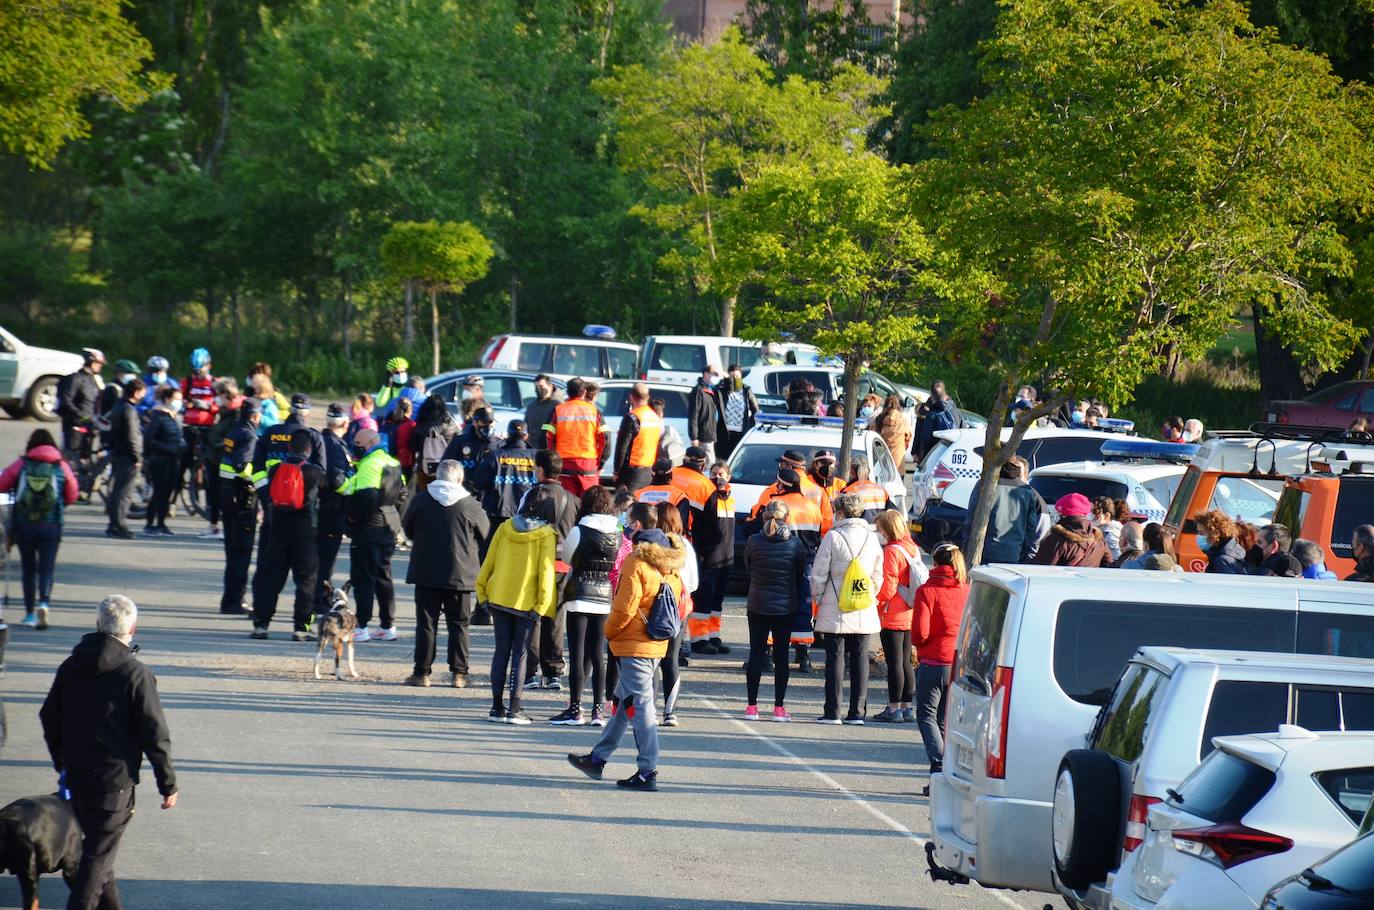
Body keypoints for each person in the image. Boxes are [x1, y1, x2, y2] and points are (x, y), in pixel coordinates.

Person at [39, 595, 177, 910]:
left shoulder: (71, 666)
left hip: (76, 777)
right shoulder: (136, 674)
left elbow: (49, 715)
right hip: (115, 783)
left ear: (98, 624)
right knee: (96, 860)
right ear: (133, 629)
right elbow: (154, 733)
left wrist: (62, 759)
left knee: (101, 857)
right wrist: (167, 783)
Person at [566, 521, 685, 792]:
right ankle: (597, 759)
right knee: (623, 703)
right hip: (656, 644)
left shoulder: (637, 563)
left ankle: (647, 770)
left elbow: (624, 607)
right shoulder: (672, 569)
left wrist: (609, 632)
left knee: (641, 708)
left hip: (634, 645)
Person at [402, 459, 489, 688]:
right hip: (460, 575)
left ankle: (421, 673)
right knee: (459, 625)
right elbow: (484, 533)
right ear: (460, 479)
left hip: (425, 572)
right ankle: (459, 674)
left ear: (436, 477)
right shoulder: (471, 505)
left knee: (426, 624)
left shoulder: (420, 500)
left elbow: (408, 528)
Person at [477, 488, 559, 724]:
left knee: (501, 652)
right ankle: (515, 708)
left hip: (499, 597)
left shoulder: (505, 527)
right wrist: (542, 606)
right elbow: (546, 572)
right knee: (520, 654)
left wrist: (482, 592)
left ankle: (496, 707)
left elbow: (488, 560)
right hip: (527, 603)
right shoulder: (546, 534)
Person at [549, 486, 620, 727]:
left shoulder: (580, 529)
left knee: (577, 654)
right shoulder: (617, 529)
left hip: (580, 592)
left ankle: (575, 708)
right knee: (598, 654)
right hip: (604, 595)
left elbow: (568, 557)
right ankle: (598, 711)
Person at [811, 493, 884, 724]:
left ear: (840, 513)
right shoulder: (872, 539)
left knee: (835, 659)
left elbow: (819, 574)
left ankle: (833, 711)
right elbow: (878, 574)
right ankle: (857, 713)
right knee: (861, 659)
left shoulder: (833, 537)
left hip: (835, 605)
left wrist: (819, 598)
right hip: (863, 605)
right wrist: (870, 593)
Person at [747, 464, 826, 673]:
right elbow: (817, 536)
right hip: (806, 564)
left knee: (773, 607)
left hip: (780, 563)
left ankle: (768, 655)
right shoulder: (812, 507)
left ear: (782, 484)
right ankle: (803, 656)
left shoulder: (778, 505)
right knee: (803, 608)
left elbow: (763, 531)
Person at [247, 429, 324, 640]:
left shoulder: (275, 470)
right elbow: (326, 490)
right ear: (309, 450)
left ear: (289, 448)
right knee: (306, 581)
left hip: (278, 530)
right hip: (305, 533)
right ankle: (301, 628)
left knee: (271, 579)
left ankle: (261, 625)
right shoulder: (314, 472)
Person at [0, 429, 78, 629]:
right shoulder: (61, 465)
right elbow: (72, 492)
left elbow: (2, 483)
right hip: (51, 524)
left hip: (24, 524)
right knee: (46, 568)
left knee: (28, 568)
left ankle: (28, 614)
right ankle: (44, 603)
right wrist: (59, 505)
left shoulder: (23, 464)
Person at [339, 427, 405, 641]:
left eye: (357, 442)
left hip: (369, 528)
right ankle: (388, 626)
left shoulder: (369, 464)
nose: (354, 446)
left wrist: (351, 517)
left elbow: (366, 498)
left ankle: (361, 626)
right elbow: (403, 496)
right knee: (384, 576)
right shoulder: (393, 462)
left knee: (363, 578)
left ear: (366, 444)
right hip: (389, 526)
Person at [743, 499, 806, 721]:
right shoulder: (795, 544)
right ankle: (779, 708)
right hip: (785, 605)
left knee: (756, 654)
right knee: (781, 657)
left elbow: (748, 568)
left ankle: (752, 706)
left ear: (764, 517)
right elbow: (799, 574)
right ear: (786, 518)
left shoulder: (753, 540)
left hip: (758, 602)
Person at [912, 544, 968, 788]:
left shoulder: (927, 590)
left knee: (926, 715)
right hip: (958, 663)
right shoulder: (967, 590)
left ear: (934, 563)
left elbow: (920, 633)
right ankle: (948, 770)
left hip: (933, 660)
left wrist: (920, 644)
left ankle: (938, 764)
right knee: (945, 720)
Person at [873, 510, 927, 724]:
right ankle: (907, 707)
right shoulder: (912, 548)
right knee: (906, 661)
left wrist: (876, 602)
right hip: (910, 609)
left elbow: (888, 586)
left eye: (881, 529)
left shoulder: (892, 551)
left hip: (893, 611)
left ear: (887, 529)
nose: (879, 533)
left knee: (894, 661)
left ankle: (893, 707)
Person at [653, 503, 697, 722]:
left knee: (651, 657)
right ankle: (671, 711)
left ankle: (648, 707)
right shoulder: (685, 546)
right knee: (671, 659)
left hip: (652, 605)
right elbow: (693, 582)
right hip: (678, 607)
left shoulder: (651, 543)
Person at [217, 399, 260, 614]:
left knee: (232, 552)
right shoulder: (249, 435)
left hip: (228, 495)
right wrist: (258, 481)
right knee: (241, 553)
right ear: (255, 416)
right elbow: (242, 466)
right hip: (242, 499)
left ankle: (229, 600)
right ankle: (234, 602)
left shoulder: (234, 431)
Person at [472, 419, 539, 535]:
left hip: (498, 515)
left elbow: (478, 483)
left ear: (508, 435)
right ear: (526, 436)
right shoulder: (536, 456)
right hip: (528, 517)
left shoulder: (494, 456)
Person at [316, 403, 353, 611]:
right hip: (332, 510)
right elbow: (338, 481)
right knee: (326, 560)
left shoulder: (319, 441)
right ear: (345, 423)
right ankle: (320, 600)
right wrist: (354, 489)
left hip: (317, 507)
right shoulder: (337, 447)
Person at [978, 456, 1046, 564]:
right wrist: (1027, 555)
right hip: (1014, 555)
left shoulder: (984, 486)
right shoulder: (1028, 492)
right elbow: (1031, 530)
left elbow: (972, 520)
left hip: (985, 553)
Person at [141, 385, 187, 536]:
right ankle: (149, 524)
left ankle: (161, 523)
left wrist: (181, 445)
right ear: (167, 399)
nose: (179, 402)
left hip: (173, 460)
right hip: (159, 460)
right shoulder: (158, 416)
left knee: (168, 492)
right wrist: (168, 448)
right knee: (159, 492)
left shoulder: (173, 416)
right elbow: (149, 439)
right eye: (176, 399)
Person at [548, 377, 606, 497]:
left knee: (566, 503)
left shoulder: (558, 410)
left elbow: (549, 436)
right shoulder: (595, 411)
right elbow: (605, 439)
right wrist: (599, 462)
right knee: (589, 503)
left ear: (567, 392)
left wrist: (554, 459)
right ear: (584, 392)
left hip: (564, 464)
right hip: (588, 464)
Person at [103, 378, 145, 540]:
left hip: (119, 453)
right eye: (142, 393)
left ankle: (114, 523)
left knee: (118, 491)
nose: (143, 396)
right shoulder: (129, 410)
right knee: (124, 493)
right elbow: (132, 435)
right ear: (135, 393)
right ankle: (118, 524)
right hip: (128, 455)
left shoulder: (119, 406)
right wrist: (137, 456)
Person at [199, 378, 241, 540]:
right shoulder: (223, 412)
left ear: (226, 394)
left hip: (225, 461)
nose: (216, 398)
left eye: (218, 394)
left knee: (224, 496)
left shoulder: (236, 414)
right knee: (213, 494)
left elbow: (232, 438)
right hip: (214, 459)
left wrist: (217, 444)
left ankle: (225, 527)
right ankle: (213, 525)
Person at [1033, 493, 1111, 567]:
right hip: (1089, 581)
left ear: (1063, 515)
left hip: (1060, 580)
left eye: (1058, 512)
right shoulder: (1099, 540)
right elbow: (1109, 566)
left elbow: (1040, 568)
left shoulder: (1057, 539)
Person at [59, 348, 104, 473]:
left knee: (86, 462)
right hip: (75, 426)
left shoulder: (92, 380)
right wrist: (81, 416)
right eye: (98, 363)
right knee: (72, 462)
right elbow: (66, 402)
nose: (100, 366)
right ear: (91, 362)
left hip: (89, 426)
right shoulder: (75, 379)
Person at [612, 382, 663, 493]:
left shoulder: (632, 417)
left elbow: (622, 447)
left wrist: (616, 471)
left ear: (631, 397)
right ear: (648, 397)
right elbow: (657, 445)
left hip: (631, 473)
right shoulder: (655, 417)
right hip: (648, 472)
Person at [180, 349, 218, 494]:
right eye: (195, 370)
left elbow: (222, 404)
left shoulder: (215, 383)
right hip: (189, 426)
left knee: (209, 464)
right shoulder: (187, 382)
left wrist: (208, 406)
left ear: (209, 366)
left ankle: (209, 502)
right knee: (183, 462)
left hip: (208, 427)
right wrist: (185, 403)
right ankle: (171, 500)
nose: (197, 373)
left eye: (200, 369)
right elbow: (178, 399)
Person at [442, 406, 500, 483]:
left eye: (490, 423)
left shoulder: (499, 445)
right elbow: (445, 466)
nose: (488, 426)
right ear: (475, 422)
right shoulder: (460, 441)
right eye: (484, 422)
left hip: (488, 492)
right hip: (464, 491)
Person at [716, 364, 760, 458]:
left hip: (741, 431)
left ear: (741, 377)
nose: (734, 378)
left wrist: (750, 425)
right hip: (725, 431)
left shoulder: (746, 390)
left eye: (737, 376)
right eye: (732, 376)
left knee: (738, 457)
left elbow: (756, 410)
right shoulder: (722, 390)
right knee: (724, 458)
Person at [637, 457, 690, 531]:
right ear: (671, 475)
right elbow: (681, 525)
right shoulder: (679, 496)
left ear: (652, 475)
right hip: (667, 539)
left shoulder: (638, 494)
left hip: (641, 538)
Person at [914, 380, 962, 460]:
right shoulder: (957, 412)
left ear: (932, 396)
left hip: (934, 458)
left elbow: (926, 440)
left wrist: (922, 459)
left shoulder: (931, 415)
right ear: (946, 394)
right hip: (952, 458)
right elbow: (962, 435)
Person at [687, 364, 723, 462]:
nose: (716, 376)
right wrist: (694, 437)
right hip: (703, 434)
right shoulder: (699, 390)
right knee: (709, 462)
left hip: (710, 432)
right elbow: (693, 414)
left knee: (709, 462)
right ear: (706, 374)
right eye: (714, 374)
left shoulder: (712, 389)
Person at [1195, 509, 1248, 574]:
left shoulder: (1222, 561)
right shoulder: (1227, 552)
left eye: (1201, 533)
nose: (1198, 536)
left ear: (1215, 534)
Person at [842, 457, 892, 524]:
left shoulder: (848, 491)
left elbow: (841, 518)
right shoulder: (882, 491)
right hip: (877, 532)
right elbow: (893, 514)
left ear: (851, 471)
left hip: (856, 531)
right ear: (869, 471)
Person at [871, 395, 911, 471]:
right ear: (898, 405)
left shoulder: (879, 419)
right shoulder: (903, 419)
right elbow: (908, 437)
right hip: (898, 460)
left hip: (881, 459)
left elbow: (872, 435)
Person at [523, 374, 560, 449]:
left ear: (550, 387)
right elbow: (526, 426)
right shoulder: (531, 406)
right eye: (536, 387)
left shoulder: (557, 405)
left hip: (549, 449)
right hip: (532, 448)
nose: (538, 389)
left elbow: (558, 428)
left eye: (541, 386)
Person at [1092, 497, 1127, 561]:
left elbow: (1115, 555)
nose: (1090, 516)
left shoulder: (1112, 533)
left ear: (1107, 516)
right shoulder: (1099, 528)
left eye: (1094, 513)